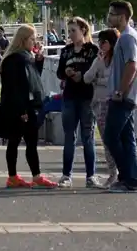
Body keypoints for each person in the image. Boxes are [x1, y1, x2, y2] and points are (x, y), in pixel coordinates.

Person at [0, 24, 56, 188]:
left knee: (30, 141)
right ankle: (15, 176)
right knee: (15, 141)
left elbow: (33, 80)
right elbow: (15, 87)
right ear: (23, 39)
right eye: (32, 39)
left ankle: (34, 176)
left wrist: (38, 62)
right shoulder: (14, 60)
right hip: (18, 107)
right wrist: (22, 110)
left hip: (26, 105)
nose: (34, 42)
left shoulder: (25, 57)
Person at [103, 0, 137, 193]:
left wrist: (120, 91)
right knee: (127, 138)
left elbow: (132, 66)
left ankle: (126, 177)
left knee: (111, 136)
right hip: (125, 96)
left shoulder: (128, 38)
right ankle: (131, 180)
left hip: (124, 97)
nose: (109, 16)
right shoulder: (126, 37)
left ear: (122, 17)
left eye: (112, 13)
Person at [56, 16, 102, 188]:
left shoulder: (93, 50)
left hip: (87, 97)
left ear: (83, 30)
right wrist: (66, 72)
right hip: (69, 96)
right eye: (69, 31)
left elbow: (96, 70)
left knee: (87, 135)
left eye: (73, 31)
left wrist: (81, 75)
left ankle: (91, 175)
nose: (71, 34)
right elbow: (59, 72)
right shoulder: (66, 51)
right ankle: (66, 175)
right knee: (69, 136)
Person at [84, 28, 120, 187]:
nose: (101, 45)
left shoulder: (118, 59)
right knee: (106, 140)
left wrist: (101, 80)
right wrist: (97, 64)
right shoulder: (99, 59)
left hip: (115, 102)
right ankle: (113, 173)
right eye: (99, 42)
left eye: (104, 42)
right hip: (100, 103)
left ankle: (121, 173)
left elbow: (116, 80)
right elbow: (87, 78)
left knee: (117, 139)